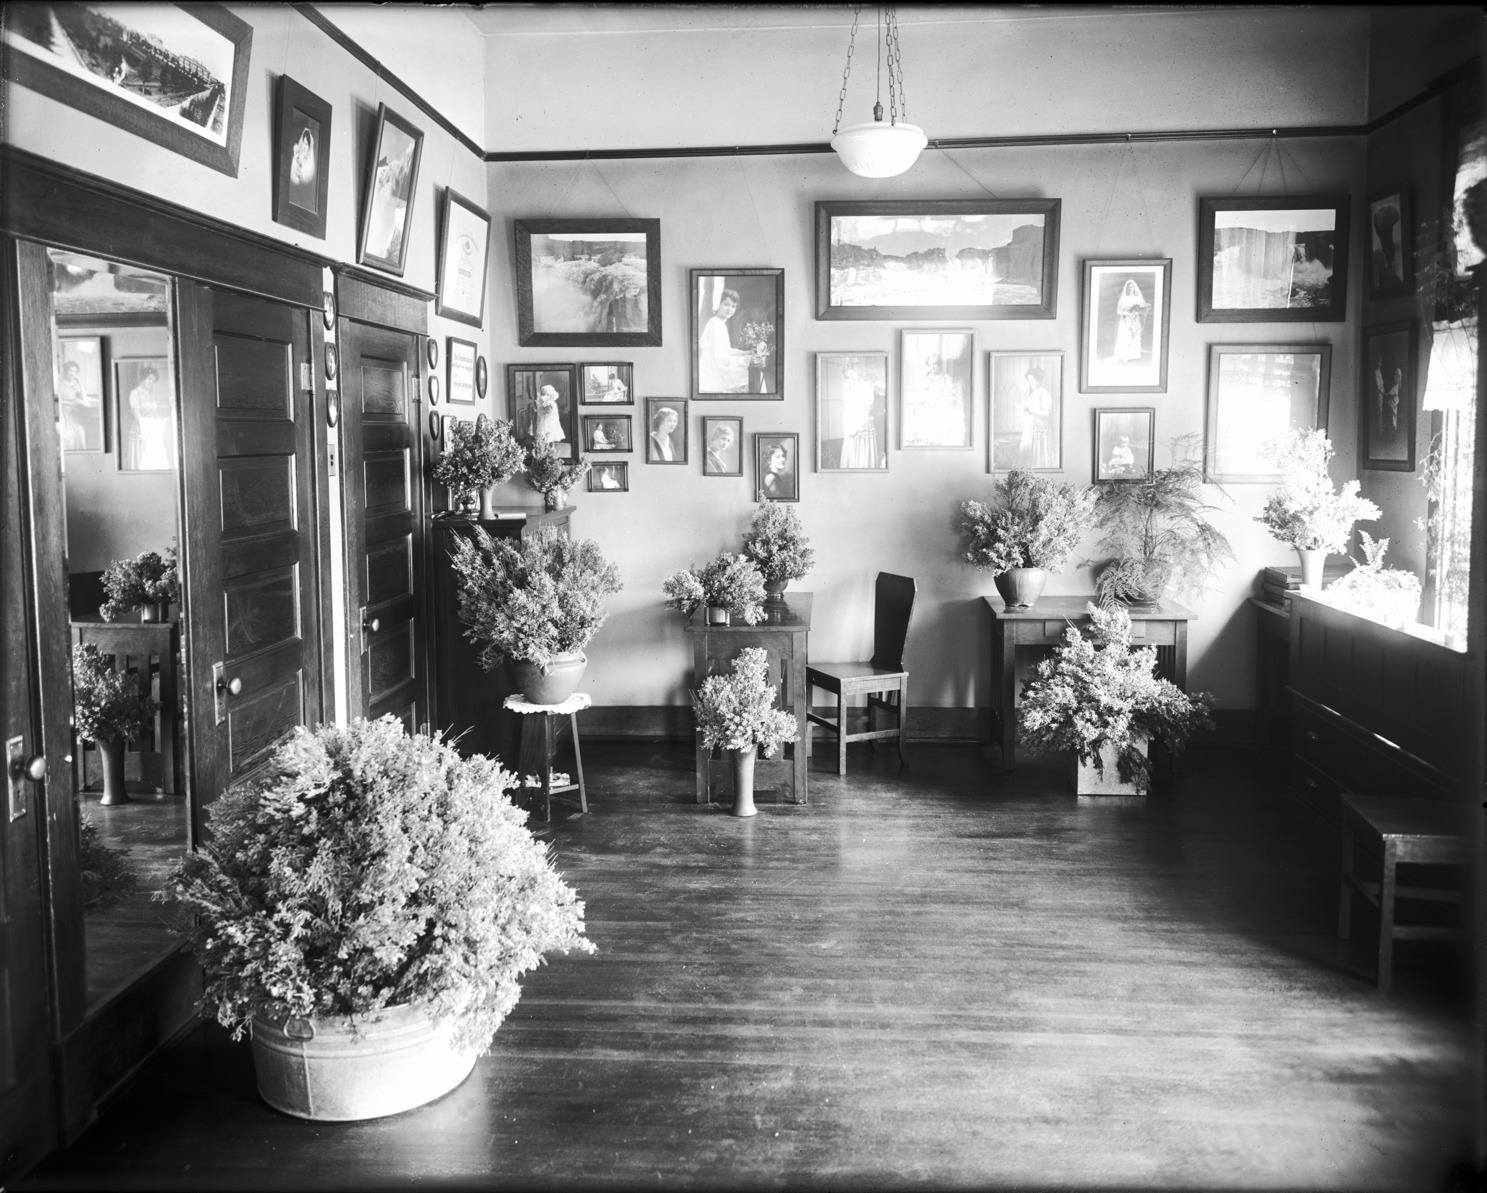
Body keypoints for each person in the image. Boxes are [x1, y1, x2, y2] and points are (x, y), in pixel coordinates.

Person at [697, 288, 758, 393]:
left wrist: (746, 353)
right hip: (712, 375)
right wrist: (746, 359)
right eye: (726, 304)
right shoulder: (716, 325)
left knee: (751, 375)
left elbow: (727, 351)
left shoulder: (719, 324)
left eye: (733, 306)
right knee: (749, 376)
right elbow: (719, 360)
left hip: (716, 370)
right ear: (718, 304)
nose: (730, 309)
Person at [128, 367, 174, 470]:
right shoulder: (135, 393)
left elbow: (155, 412)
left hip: (151, 427)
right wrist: (144, 426)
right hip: (140, 427)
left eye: (153, 381)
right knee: (142, 456)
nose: (150, 382)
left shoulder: (151, 395)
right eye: (149, 378)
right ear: (143, 378)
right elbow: (136, 411)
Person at [836, 365, 882, 469]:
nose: (850, 379)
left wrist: (855, 426)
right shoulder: (849, 390)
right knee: (851, 457)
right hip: (852, 428)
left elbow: (865, 410)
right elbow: (849, 410)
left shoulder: (866, 388)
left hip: (862, 428)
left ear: (859, 374)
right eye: (847, 377)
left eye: (852, 375)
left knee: (862, 458)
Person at [1018, 366, 1053, 468]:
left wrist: (1030, 410)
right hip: (1030, 427)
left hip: (1039, 427)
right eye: (1029, 380)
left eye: (1033, 379)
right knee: (1027, 455)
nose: (1031, 382)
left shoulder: (1044, 394)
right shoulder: (1033, 394)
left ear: (1039, 379)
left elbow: (1047, 413)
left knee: (1037, 457)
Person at [58, 359, 93, 451]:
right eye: (70, 370)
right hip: (63, 411)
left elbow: (84, 397)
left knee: (80, 432)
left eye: (75, 371)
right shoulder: (60, 384)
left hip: (74, 411)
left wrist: (79, 381)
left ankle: (81, 454)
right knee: (68, 437)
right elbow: (57, 400)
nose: (72, 373)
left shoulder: (76, 384)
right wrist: (72, 403)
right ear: (66, 371)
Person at [1112, 280, 1150, 364]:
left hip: (1135, 320)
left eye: (1132, 287)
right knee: (1125, 336)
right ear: (1127, 288)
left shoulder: (1137, 298)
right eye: (1129, 287)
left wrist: (1137, 313)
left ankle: (1133, 355)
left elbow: (1142, 309)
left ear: (1134, 288)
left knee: (1134, 336)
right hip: (1125, 321)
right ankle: (1124, 356)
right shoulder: (1123, 298)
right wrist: (1127, 314)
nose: (1130, 288)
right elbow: (1118, 311)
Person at [289, 125, 317, 209]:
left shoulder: (310, 165)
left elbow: (305, 183)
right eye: (303, 143)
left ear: (310, 147)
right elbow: (292, 176)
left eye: (306, 144)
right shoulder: (297, 157)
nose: (304, 147)